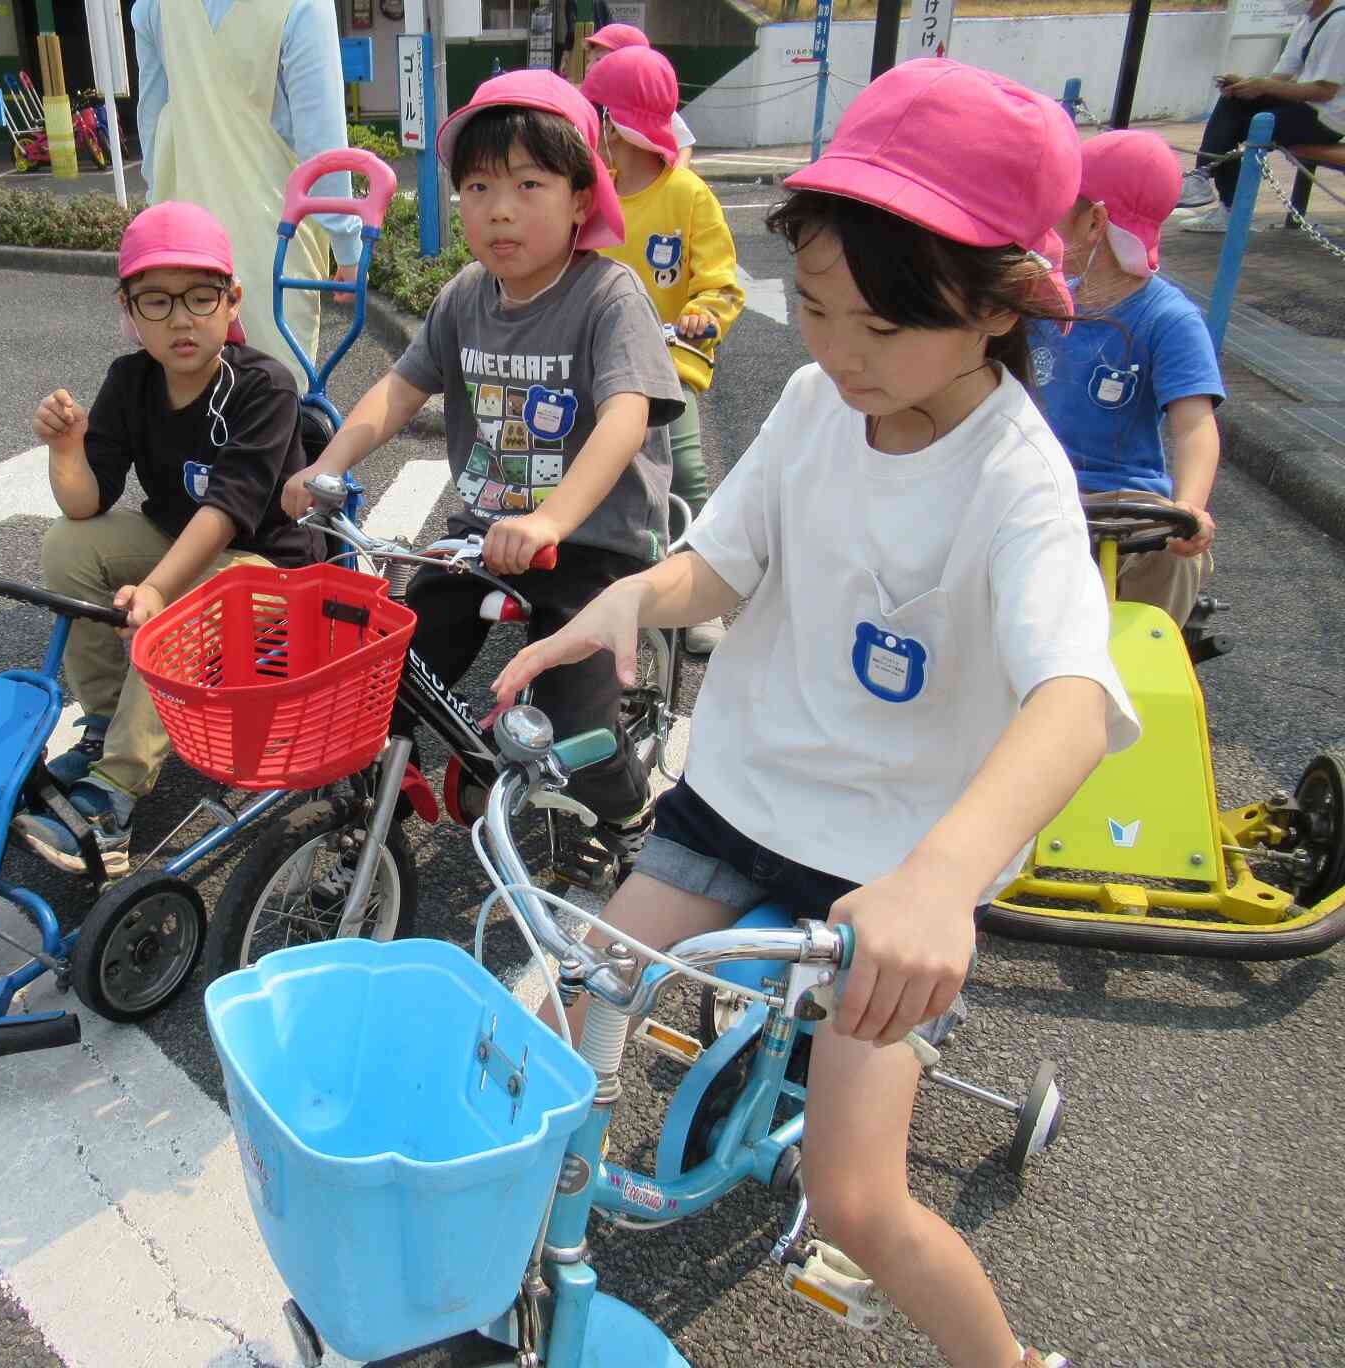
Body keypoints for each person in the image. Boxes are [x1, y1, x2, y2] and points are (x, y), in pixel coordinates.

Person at [492, 59, 1136, 1368]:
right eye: (821, 310)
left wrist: (941, 886)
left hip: (890, 880)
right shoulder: (809, 401)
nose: (839, 353)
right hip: (741, 798)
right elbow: (723, 563)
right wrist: (629, 605)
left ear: (998, 307)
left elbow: (1074, 697)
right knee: (554, 1015)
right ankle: (491, 1258)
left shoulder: (1017, 481)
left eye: (881, 332)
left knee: (853, 1199)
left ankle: (1011, 1362)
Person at [281, 69, 684, 882]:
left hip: (592, 546)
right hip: (482, 536)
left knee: (575, 728)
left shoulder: (609, 297)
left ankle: (629, 807)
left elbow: (624, 419)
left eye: (530, 184)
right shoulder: (465, 297)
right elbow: (400, 388)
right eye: (478, 185)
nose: (500, 207)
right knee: (386, 663)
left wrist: (551, 522)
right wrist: (325, 464)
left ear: (581, 198)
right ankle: (373, 815)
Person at [23, 202, 324, 856]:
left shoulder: (264, 387)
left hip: (270, 567)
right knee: (69, 545)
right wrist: (67, 448)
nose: (180, 318)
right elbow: (86, 503)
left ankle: (114, 797)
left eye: (199, 296)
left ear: (232, 300)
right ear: (127, 309)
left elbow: (226, 513)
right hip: (180, 548)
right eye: (155, 301)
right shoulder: (130, 380)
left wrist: (157, 589)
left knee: (197, 596)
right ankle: (104, 723)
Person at [583, 45, 741, 655]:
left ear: (612, 123)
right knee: (586, 473)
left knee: (689, 476)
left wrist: (704, 311)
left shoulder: (690, 196)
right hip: (592, 368)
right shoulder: (596, 191)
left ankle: (697, 593)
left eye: (598, 115)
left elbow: (720, 278)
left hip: (665, 370)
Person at [1035, 130, 1223, 627]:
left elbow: (1193, 425)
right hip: (1038, 481)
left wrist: (1189, 507)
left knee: (1175, 554)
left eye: (1057, 207)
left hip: (1124, 503)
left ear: (1095, 221)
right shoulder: (1042, 297)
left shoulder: (1168, 319)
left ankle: (1143, 672)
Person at [132, 0, 362, 395]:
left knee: (191, 396)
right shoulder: (302, 6)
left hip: (184, 234)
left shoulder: (154, 7)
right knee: (274, 398)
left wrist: (155, 224)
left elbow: (153, 121)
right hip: (274, 234)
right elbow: (321, 147)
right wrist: (348, 249)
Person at [1180, 0, 1345, 232]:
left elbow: (1324, 91)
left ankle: (1226, 203)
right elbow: (1280, 78)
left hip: (1327, 120)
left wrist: (1263, 86)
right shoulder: (1307, 21)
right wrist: (1246, 85)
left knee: (1241, 126)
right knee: (1233, 101)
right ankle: (1203, 180)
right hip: (1305, 108)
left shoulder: (1340, 22)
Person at [583, 21, 698, 169]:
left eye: (599, 60)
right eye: (588, 60)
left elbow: (684, 143)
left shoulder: (648, 108)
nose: (589, 67)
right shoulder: (588, 98)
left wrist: (677, 177)